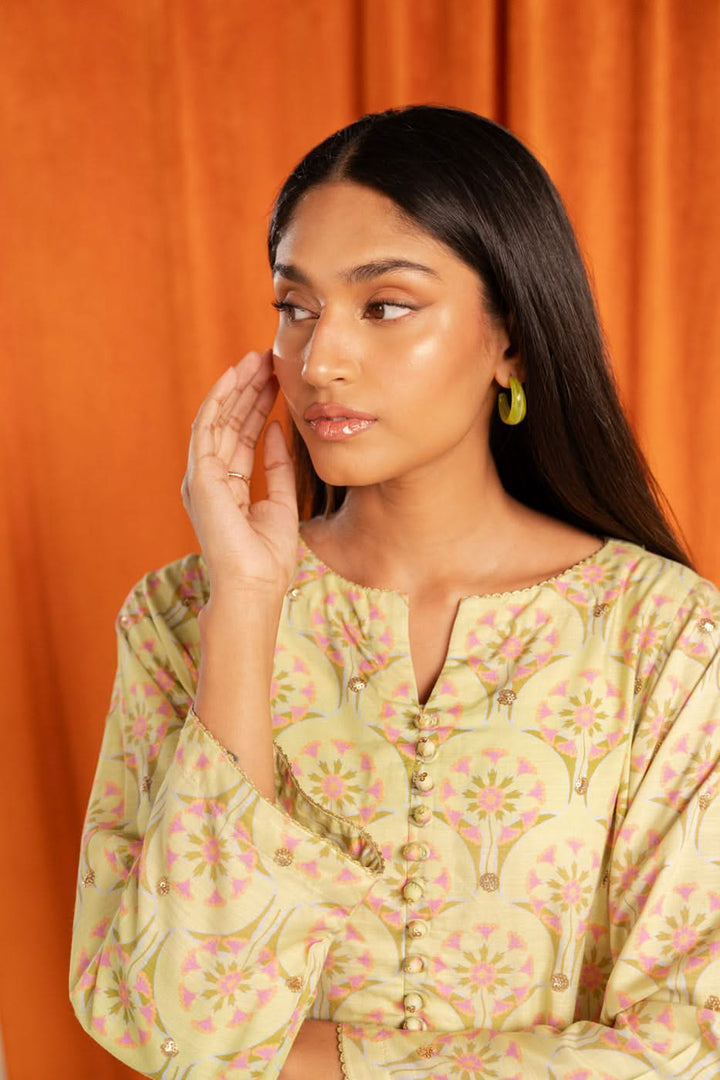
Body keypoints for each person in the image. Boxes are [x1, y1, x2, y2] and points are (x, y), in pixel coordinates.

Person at [70, 106, 720, 1079]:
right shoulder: (179, 619)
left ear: (510, 339)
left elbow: (691, 1046)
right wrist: (245, 605)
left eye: (384, 306)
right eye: (296, 306)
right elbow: (175, 1022)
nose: (320, 360)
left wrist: (300, 1066)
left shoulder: (670, 637)